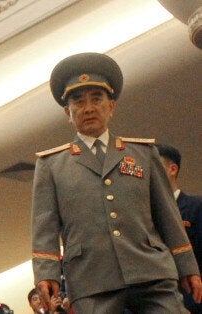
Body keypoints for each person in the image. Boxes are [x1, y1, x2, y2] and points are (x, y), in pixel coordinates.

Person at [31, 52, 202, 313]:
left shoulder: (143, 154)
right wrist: (46, 273)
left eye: (97, 99)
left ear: (111, 106)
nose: (88, 108)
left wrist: (187, 264)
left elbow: (168, 216)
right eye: (78, 101)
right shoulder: (51, 165)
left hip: (151, 272)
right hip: (91, 280)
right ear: (68, 112)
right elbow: (44, 227)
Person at [157, 143, 202, 313]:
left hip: (191, 300)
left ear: (172, 169)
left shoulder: (196, 207)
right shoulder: (142, 214)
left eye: (154, 166)